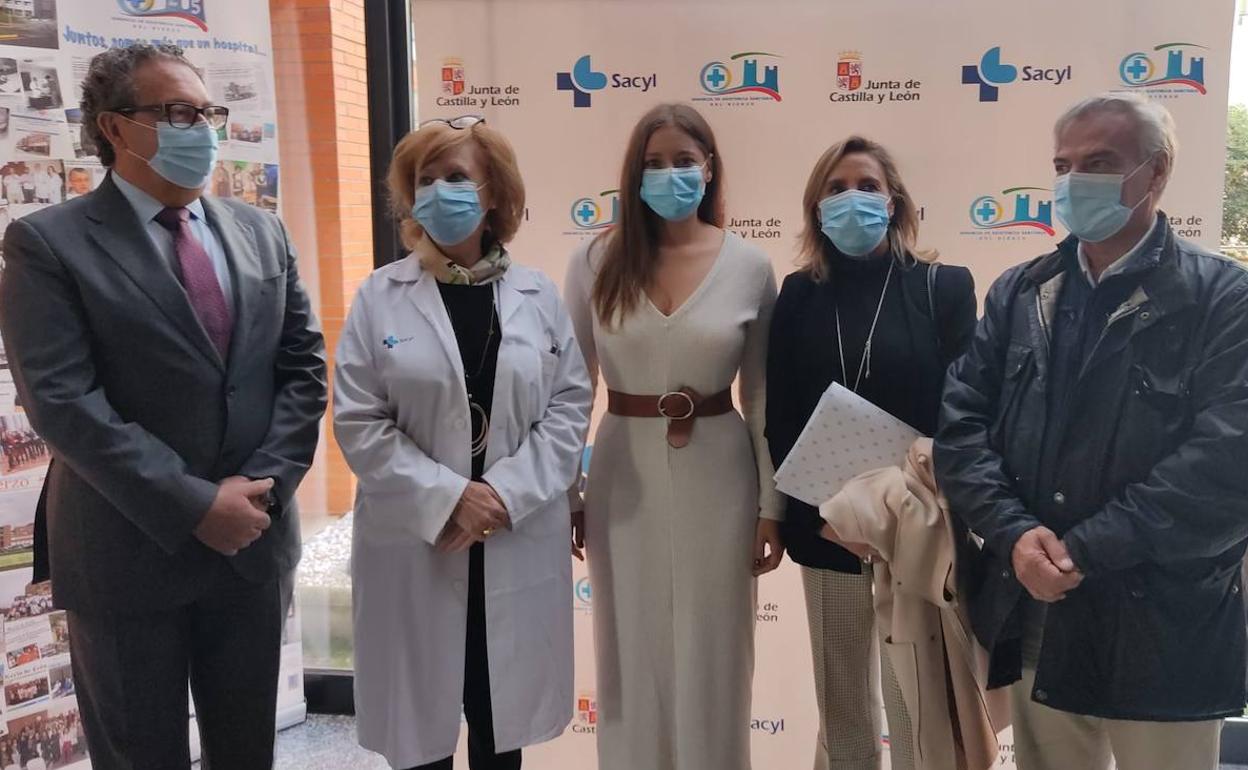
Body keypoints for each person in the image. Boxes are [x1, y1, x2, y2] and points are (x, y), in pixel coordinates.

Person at [0, 42, 327, 770]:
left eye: (208, 111)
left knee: (246, 751)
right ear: (115, 127)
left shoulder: (260, 231)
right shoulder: (47, 244)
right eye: (177, 112)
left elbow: (302, 370)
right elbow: (61, 401)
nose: (201, 129)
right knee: (140, 754)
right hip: (126, 551)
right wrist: (192, 503)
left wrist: (260, 497)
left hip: (251, 542)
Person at [935, 93, 1248, 770]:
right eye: (1064, 164)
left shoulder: (1224, 298)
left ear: (1156, 172)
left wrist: (1080, 552)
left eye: (1100, 162)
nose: (1075, 181)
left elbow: (1227, 462)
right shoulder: (1022, 293)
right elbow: (960, 430)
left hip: (1165, 628)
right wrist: (1017, 536)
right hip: (1044, 616)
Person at [334, 115, 592, 770]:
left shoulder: (538, 296)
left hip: (512, 534)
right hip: (421, 535)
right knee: (419, 740)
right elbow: (359, 420)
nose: (439, 191)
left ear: (494, 195)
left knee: (500, 732)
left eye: (457, 177)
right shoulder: (378, 296)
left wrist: (500, 497)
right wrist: (451, 498)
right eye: (426, 180)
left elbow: (568, 407)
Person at [564, 102, 783, 770]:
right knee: (631, 652)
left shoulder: (749, 266)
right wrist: (570, 488)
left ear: (709, 168)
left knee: (716, 650)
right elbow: (574, 385)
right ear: (633, 175)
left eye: (683, 161)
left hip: (722, 475)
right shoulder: (596, 260)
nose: (670, 175)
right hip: (620, 474)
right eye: (654, 163)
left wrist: (771, 504)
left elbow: (761, 395)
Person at [766, 136, 977, 770]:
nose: (851, 198)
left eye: (866, 185)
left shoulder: (945, 288)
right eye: (835, 188)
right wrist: (821, 519)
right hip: (826, 529)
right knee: (845, 710)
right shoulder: (799, 294)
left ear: (895, 202)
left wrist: (902, 519)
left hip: (917, 533)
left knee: (916, 708)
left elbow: (966, 416)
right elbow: (782, 416)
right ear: (815, 208)